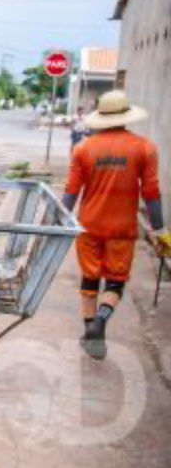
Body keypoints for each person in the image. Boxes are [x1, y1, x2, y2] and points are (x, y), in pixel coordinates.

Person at [63, 90, 171, 360]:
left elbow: (71, 192)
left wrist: (58, 222)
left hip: (88, 225)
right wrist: (161, 232)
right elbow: (151, 194)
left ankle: (91, 334)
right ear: (125, 116)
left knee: (90, 279)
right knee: (115, 282)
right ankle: (101, 320)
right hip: (122, 228)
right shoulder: (144, 148)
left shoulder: (83, 149)